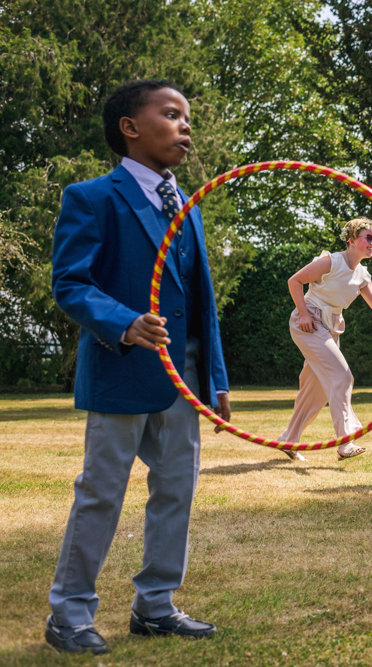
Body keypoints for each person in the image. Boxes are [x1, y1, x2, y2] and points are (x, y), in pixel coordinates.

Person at [46, 79, 231, 655]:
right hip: (121, 370)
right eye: (171, 114)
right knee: (101, 493)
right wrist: (124, 322)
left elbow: (201, 303)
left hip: (184, 381)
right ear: (130, 127)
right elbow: (70, 283)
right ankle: (69, 614)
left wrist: (216, 379)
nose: (185, 127)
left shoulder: (190, 208)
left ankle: (155, 605)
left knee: (176, 491)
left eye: (187, 118)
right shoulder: (92, 197)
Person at [278, 217, 372, 460]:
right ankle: (345, 442)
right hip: (308, 323)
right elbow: (294, 281)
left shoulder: (362, 275)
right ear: (351, 241)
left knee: (315, 391)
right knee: (342, 376)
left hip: (330, 328)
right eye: (368, 238)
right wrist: (305, 314)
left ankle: (288, 440)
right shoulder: (330, 261)